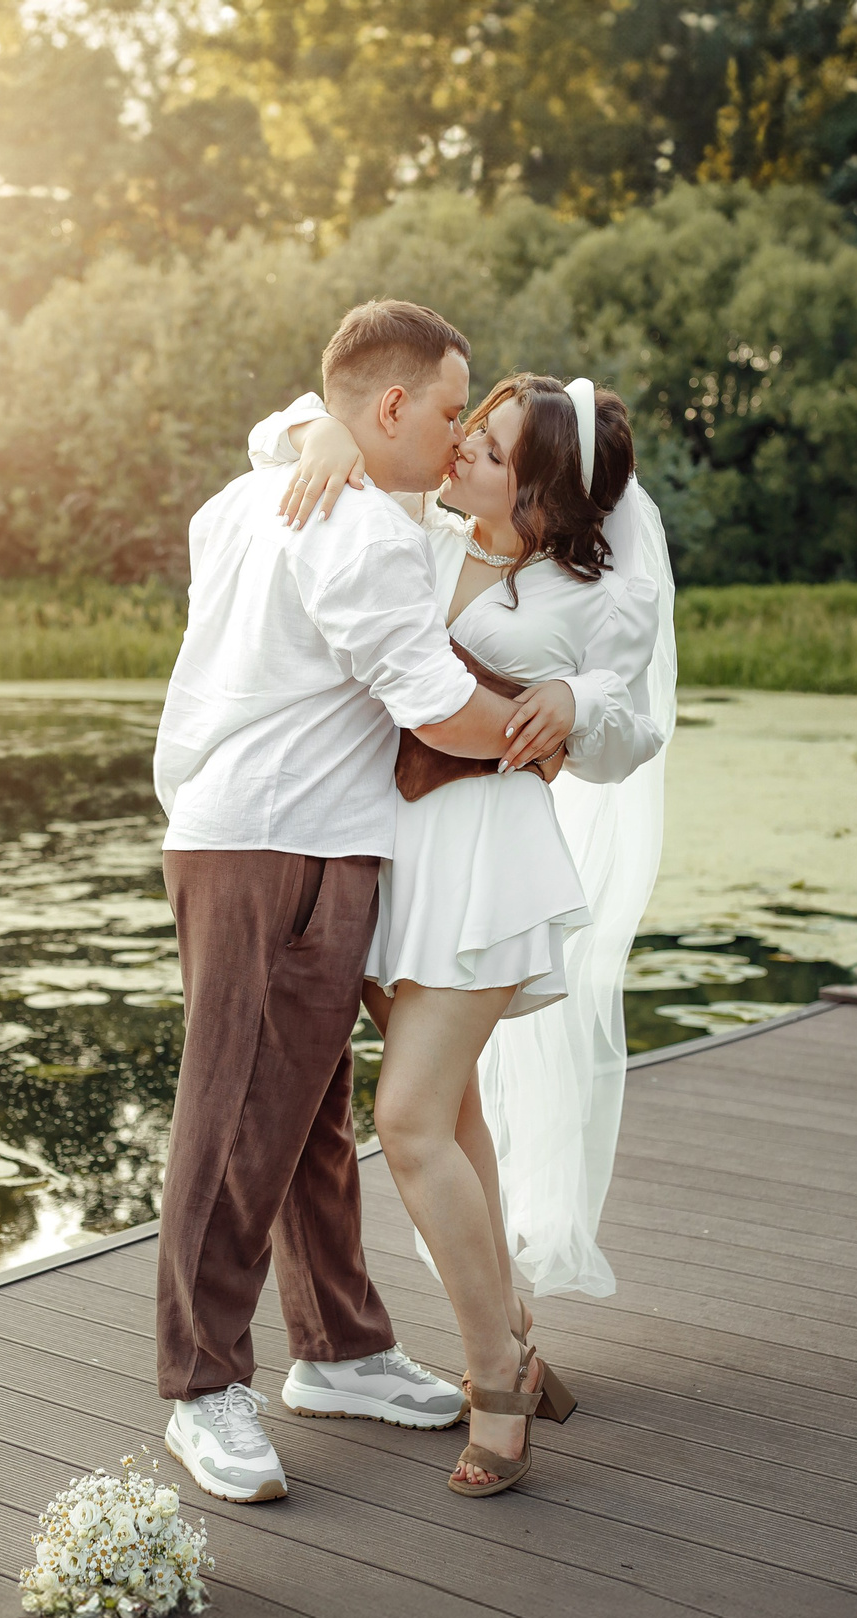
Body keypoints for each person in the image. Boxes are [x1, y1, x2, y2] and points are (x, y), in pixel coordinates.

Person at [151, 301, 570, 1505]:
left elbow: (285, 431)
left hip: (289, 836)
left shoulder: (248, 496)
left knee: (303, 1111)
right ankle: (199, 1384)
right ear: (387, 407)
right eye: (448, 409)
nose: (456, 438)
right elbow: (434, 707)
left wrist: (300, 430)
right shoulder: (360, 529)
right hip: (271, 838)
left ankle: (337, 1350)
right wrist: (546, 735)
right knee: (234, 1118)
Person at [246, 371, 675, 1495]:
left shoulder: (594, 598)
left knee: (409, 1117)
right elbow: (271, 436)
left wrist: (580, 710)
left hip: (485, 861)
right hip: (394, 855)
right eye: (469, 432)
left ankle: (495, 1374)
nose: (459, 454)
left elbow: (637, 727)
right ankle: (520, 1333)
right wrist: (323, 434)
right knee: (461, 1113)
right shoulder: (416, 532)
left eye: (485, 449)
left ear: (538, 493)